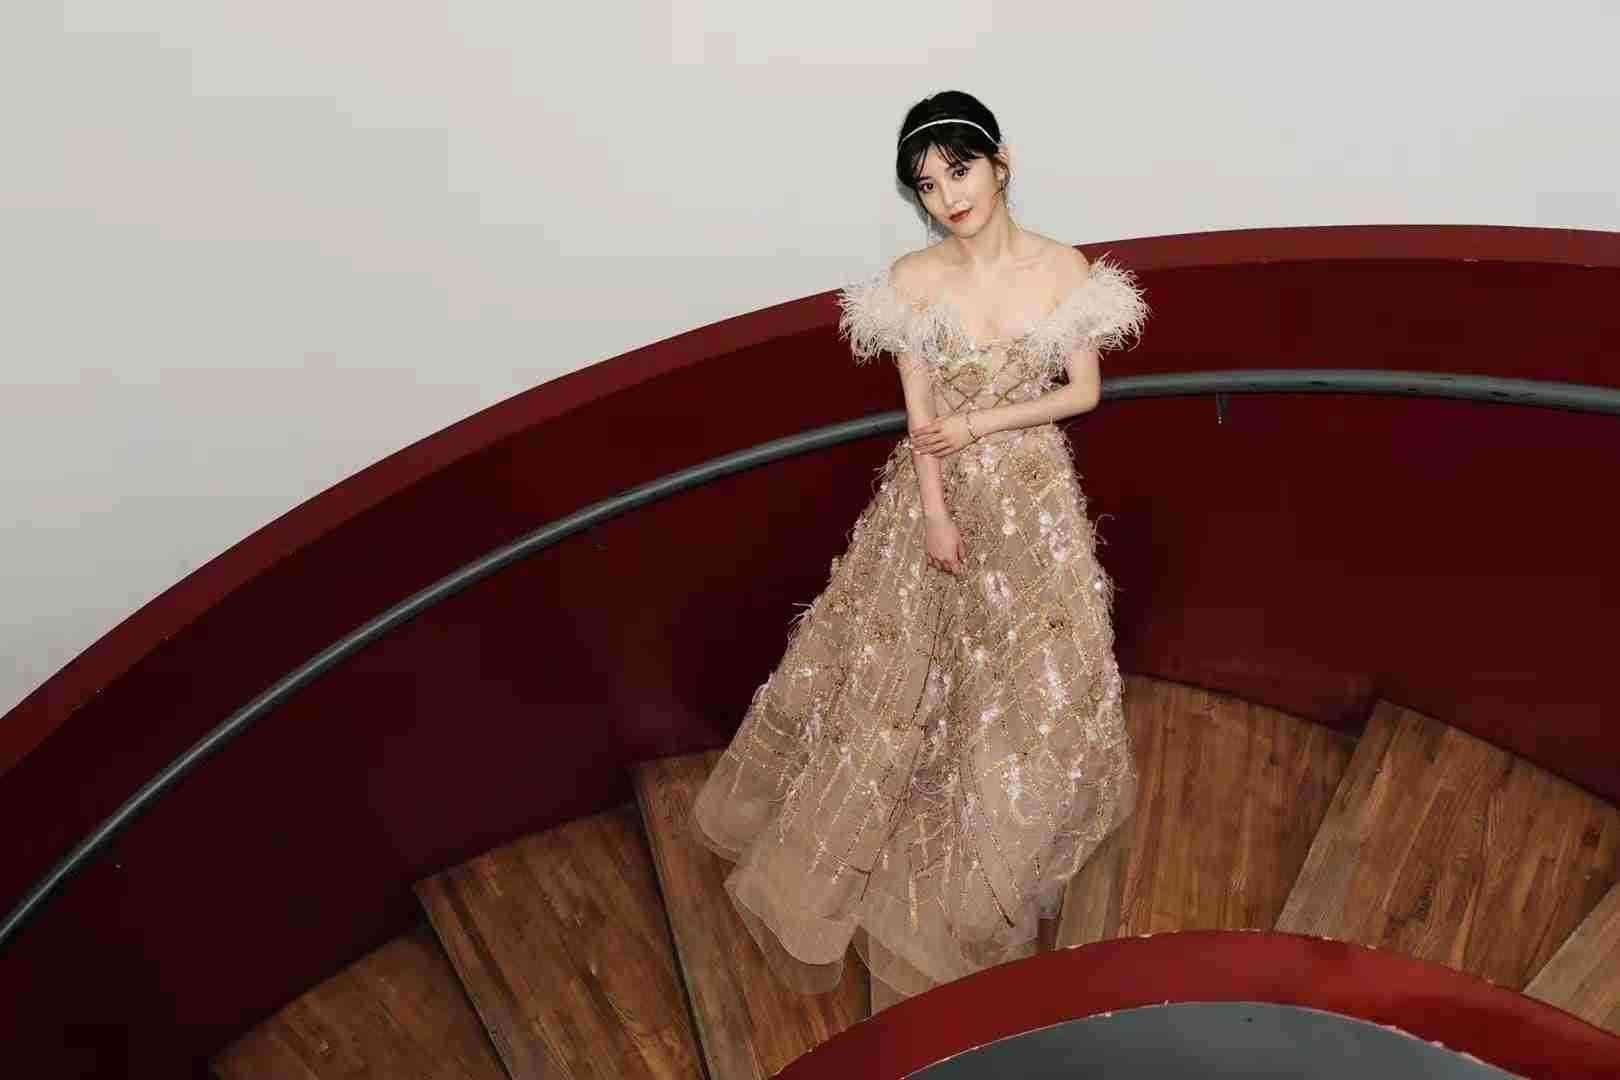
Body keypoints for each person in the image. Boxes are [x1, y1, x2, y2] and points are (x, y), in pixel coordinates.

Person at [690, 89, 1148, 1005]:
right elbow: (919, 416)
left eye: (959, 170)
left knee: (1035, 681)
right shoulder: (911, 281)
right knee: (903, 678)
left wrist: (982, 426)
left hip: (1031, 499)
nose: (948, 196)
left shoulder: (1065, 269)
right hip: (935, 500)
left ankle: (1003, 851)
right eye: (927, 185)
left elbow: (1083, 393)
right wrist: (935, 512)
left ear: (1001, 163)